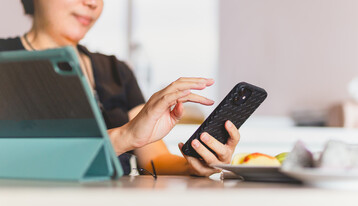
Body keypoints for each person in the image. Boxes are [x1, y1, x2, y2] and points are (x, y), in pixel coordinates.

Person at [0, 0, 240, 177]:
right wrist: (124, 136)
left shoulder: (117, 71)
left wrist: (194, 164)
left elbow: (154, 159)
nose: (92, 3)